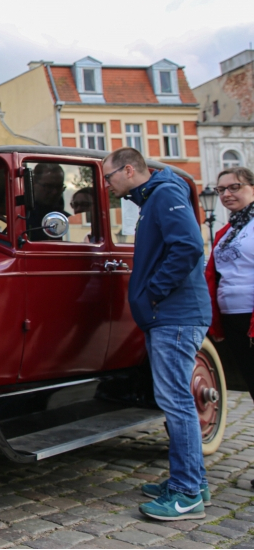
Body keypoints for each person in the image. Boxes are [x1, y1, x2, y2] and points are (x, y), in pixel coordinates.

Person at [102, 146, 212, 521]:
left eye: (109, 176)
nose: (107, 184)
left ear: (128, 169)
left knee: (176, 402)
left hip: (175, 315)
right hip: (170, 315)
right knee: (176, 400)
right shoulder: (155, 196)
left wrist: (153, 294)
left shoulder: (165, 193)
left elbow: (188, 247)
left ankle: (186, 494)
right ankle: (194, 481)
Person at [205, 167, 254, 410]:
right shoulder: (228, 230)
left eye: (235, 187)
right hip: (233, 318)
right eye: (221, 189)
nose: (226, 194)